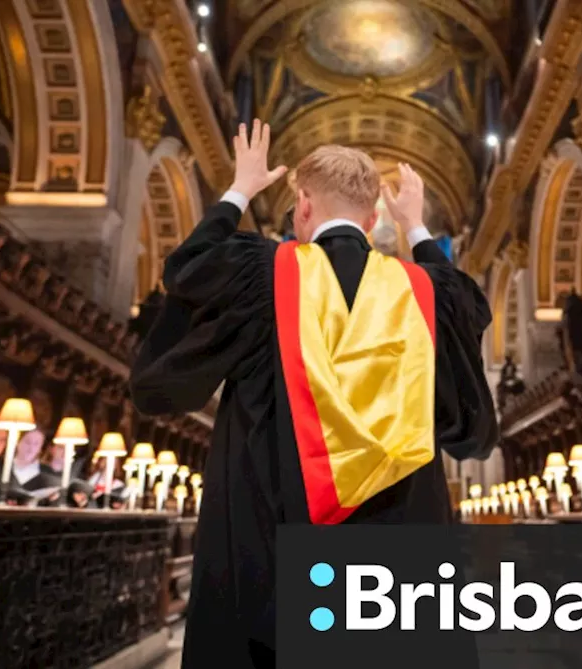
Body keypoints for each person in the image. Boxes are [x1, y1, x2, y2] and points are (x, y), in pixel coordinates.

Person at [130, 121, 498, 667]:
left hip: (272, 553)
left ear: (302, 205)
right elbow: (469, 317)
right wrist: (418, 229)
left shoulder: (261, 275)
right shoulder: (425, 293)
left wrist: (240, 190)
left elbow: (187, 272)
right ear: (375, 221)